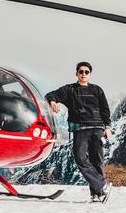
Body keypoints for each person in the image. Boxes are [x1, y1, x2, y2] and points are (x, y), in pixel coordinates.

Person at [45, 62, 112, 203]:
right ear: (76, 73)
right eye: (81, 71)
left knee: (97, 161)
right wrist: (52, 101)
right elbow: (51, 94)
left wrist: (107, 127)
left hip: (97, 129)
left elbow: (105, 110)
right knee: (80, 159)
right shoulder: (70, 89)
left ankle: (97, 194)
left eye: (86, 72)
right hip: (80, 129)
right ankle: (102, 186)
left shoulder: (97, 90)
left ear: (90, 74)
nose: (83, 74)